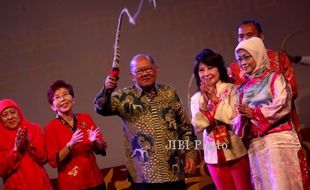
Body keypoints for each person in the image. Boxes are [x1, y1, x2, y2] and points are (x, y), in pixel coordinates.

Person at [94, 54, 197, 190]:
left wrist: (190, 154)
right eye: (139, 71)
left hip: (173, 171)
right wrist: (106, 90)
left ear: (156, 70)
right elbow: (100, 108)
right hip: (143, 177)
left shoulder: (169, 93)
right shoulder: (123, 97)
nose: (144, 74)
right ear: (132, 76)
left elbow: (185, 127)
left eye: (148, 69)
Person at [234, 37, 303, 189]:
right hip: (256, 145)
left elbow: (282, 103)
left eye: (247, 57)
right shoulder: (242, 89)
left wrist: (254, 113)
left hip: (278, 141)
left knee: (282, 184)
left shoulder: (275, 78)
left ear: (258, 54)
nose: (243, 63)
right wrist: (243, 118)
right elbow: (238, 120)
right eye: (239, 59)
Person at [190, 49, 252, 190]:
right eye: (201, 70)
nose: (206, 73)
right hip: (214, 156)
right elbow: (198, 127)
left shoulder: (234, 90)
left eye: (210, 67)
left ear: (219, 68)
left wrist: (215, 100)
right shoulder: (196, 98)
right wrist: (205, 105)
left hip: (236, 151)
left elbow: (233, 118)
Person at [229, 19, 299, 130]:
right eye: (240, 36)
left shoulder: (278, 58)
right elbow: (237, 100)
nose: (244, 39)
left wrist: (261, 109)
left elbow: (293, 91)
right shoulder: (236, 67)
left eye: (250, 35)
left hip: (281, 123)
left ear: (261, 37)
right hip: (251, 128)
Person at [44, 80, 107, 190]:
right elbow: (53, 161)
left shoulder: (85, 118)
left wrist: (95, 142)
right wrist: (70, 145)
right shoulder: (50, 128)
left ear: (73, 99)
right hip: (72, 184)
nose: (63, 99)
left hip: (94, 179)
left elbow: (101, 149)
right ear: (52, 106)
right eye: (57, 97)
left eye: (65, 95)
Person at [0, 99, 52, 190]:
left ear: (19, 113)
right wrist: (15, 149)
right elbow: (1, 170)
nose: (10, 117)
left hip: (41, 185)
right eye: (5, 115)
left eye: (13, 112)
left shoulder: (34, 129)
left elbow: (43, 157)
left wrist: (28, 144)